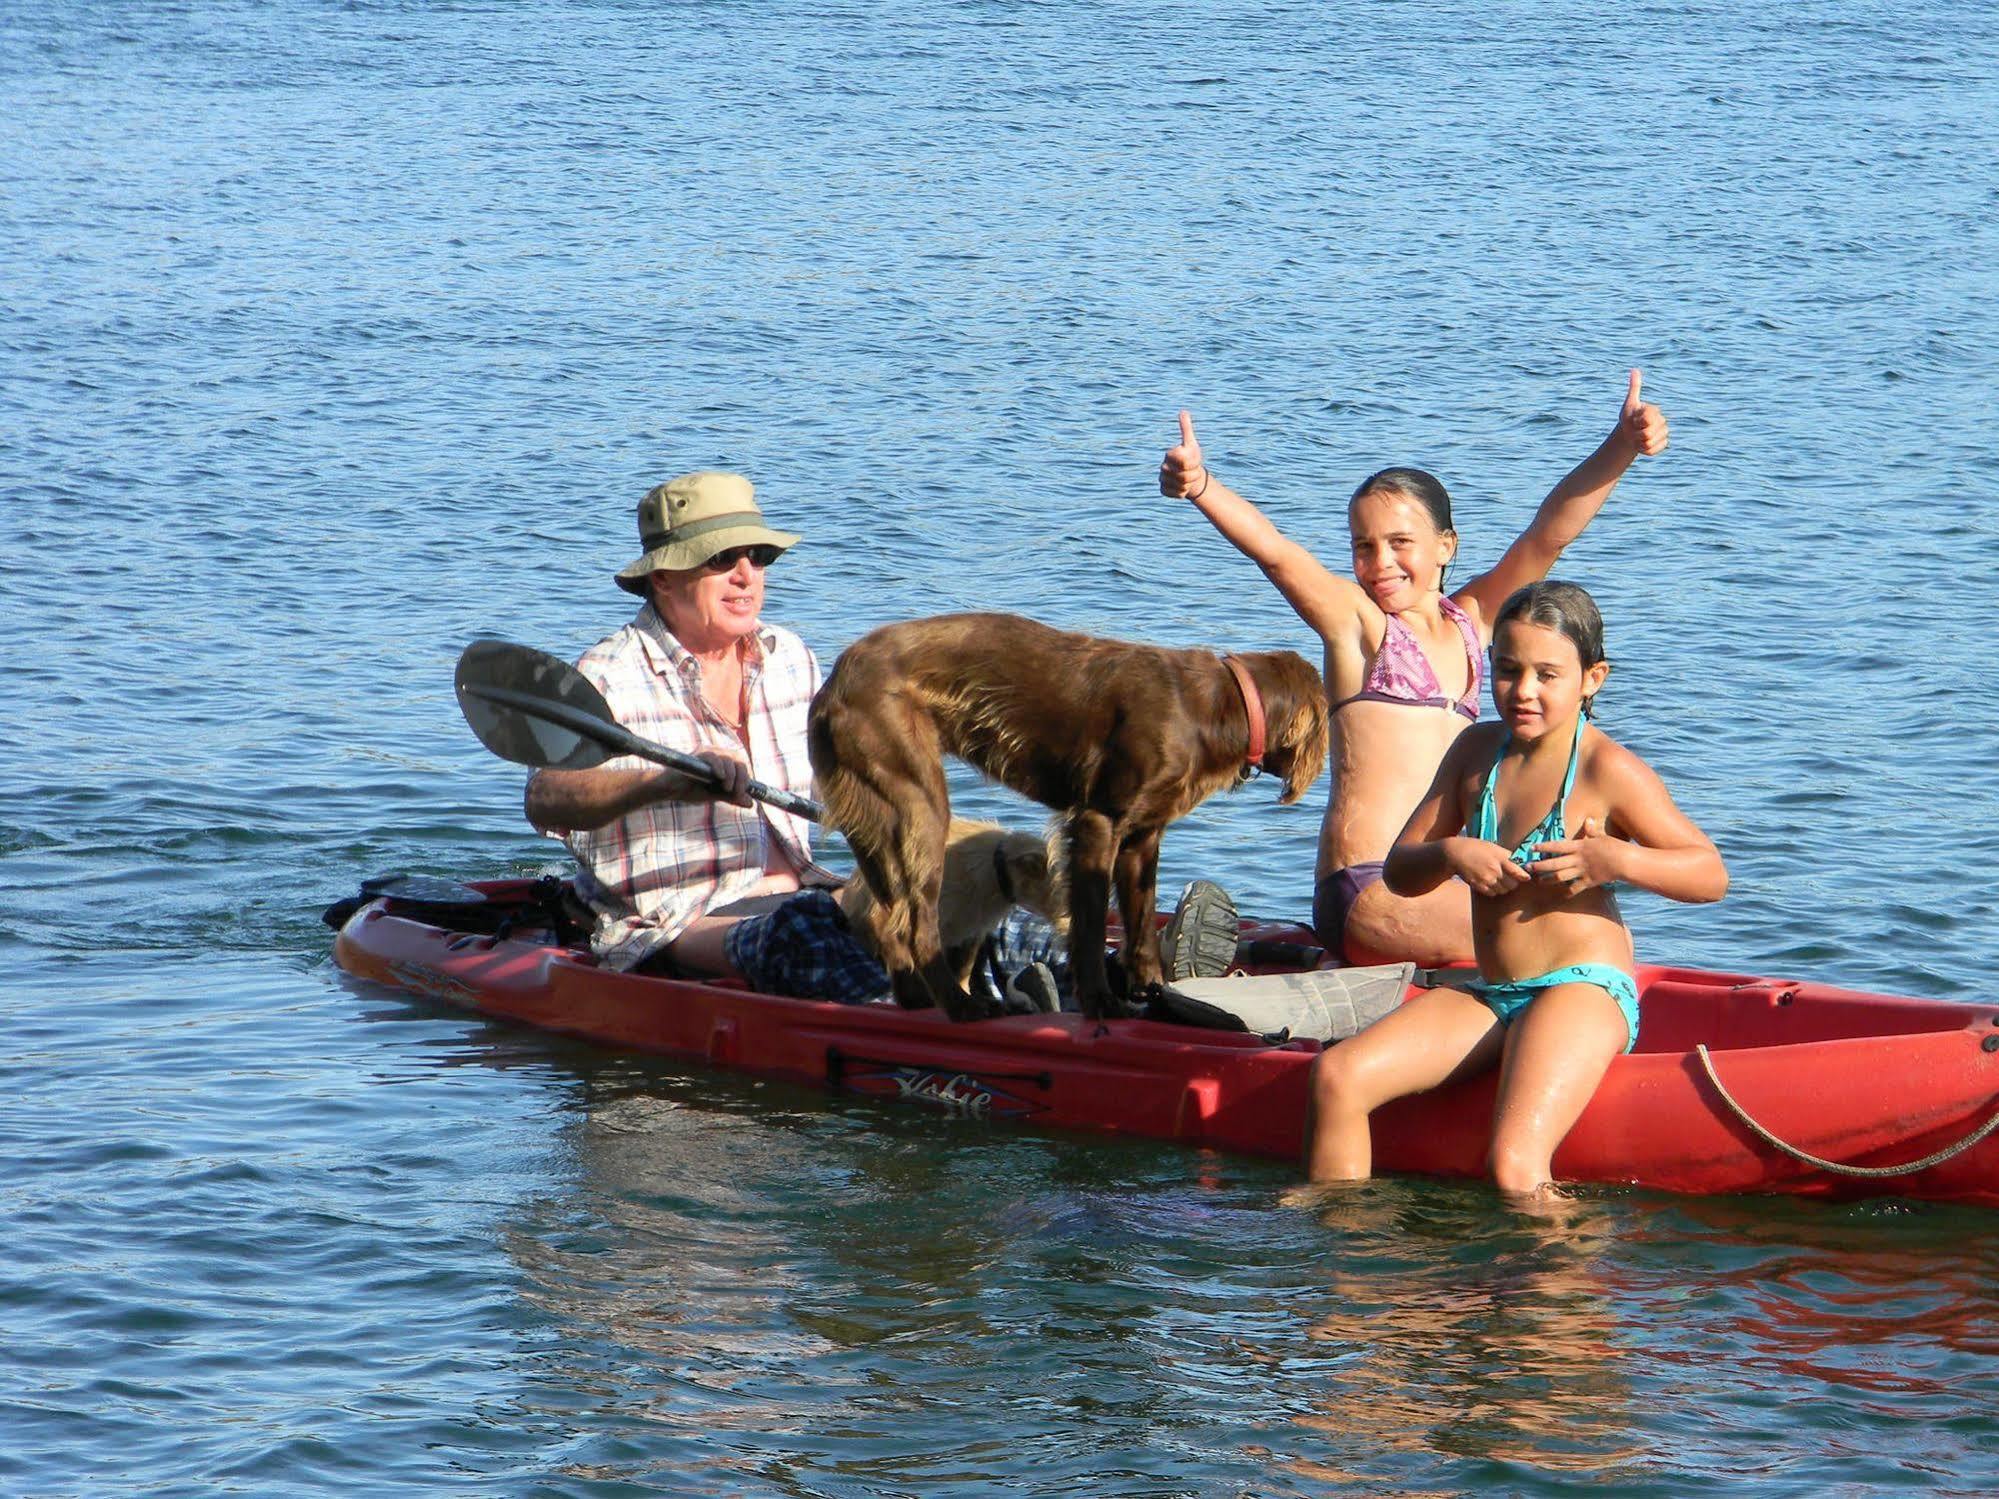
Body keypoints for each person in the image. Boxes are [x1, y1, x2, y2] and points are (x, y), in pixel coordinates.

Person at [1159, 373, 1669, 967]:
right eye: (1363, 546)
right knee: (1580, 943)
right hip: (1369, 887)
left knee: (1598, 930)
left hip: (1450, 883)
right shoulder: (1360, 628)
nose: (1381, 564)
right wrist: (1201, 486)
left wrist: (1622, 446)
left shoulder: (1475, 623)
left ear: (1445, 546)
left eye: (1401, 542)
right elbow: (1274, 551)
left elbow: (1548, 534)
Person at [1302, 581, 1727, 1196]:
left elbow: (1710, 874)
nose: (1524, 691)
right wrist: (1452, 853)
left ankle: (1564, 1288)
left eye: (1547, 675)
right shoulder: (1475, 753)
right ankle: (1348, 1267)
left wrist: (1615, 860)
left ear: (1592, 678)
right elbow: (1398, 870)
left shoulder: (1608, 770)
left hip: (1581, 990)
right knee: (1337, 1078)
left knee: (1512, 1167)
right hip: (1494, 990)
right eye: (1507, 670)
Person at [525, 470, 837, 975]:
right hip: (679, 921)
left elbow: (838, 783)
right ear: (663, 578)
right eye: (720, 559)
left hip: (804, 895)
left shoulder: (791, 657)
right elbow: (544, 799)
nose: (746, 575)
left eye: (757, 557)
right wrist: (665, 783)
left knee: (967, 902)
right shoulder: (609, 673)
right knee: (815, 934)